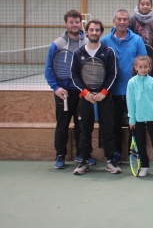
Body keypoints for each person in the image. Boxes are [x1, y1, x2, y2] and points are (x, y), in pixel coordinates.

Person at [71, 19, 119, 175]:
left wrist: (103, 93)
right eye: (91, 30)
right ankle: (84, 161)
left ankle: (111, 161)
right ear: (86, 32)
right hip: (85, 98)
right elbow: (75, 75)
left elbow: (113, 74)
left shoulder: (108, 51)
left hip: (104, 97)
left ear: (101, 32)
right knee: (84, 130)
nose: (94, 33)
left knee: (108, 129)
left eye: (97, 30)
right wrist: (85, 93)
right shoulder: (78, 54)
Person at [44, 9, 90, 169]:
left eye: (77, 22)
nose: (74, 25)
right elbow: (49, 69)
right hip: (63, 92)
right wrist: (56, 88)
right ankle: (60, 155)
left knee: (81, 125)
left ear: (80, 23)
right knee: (62, 125)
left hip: (81, 91)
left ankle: (81, 155)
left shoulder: (87, 42)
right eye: (71, 22)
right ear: (66, 24)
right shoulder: (57, 44)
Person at [100, 9, 146, 163]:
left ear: (128, 22)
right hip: (113, 92)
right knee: (114, 125)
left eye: (125, 19)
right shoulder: (105, 41)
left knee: (137, 123)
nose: (122, 22)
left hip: (134, 92)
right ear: (114, 21)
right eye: (119, 19)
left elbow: (144, 62)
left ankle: (136, 153)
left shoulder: (137, 40)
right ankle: (116, 153)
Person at [126, 55, 153, 177]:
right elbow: (130, 102)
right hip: (138, 120)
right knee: (140, 143)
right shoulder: (131, 83)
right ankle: (145, 166)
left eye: (145, 67)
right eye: (140, 67)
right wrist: (132, 119)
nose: (143, 69)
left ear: (150, 67)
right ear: (136, 68)